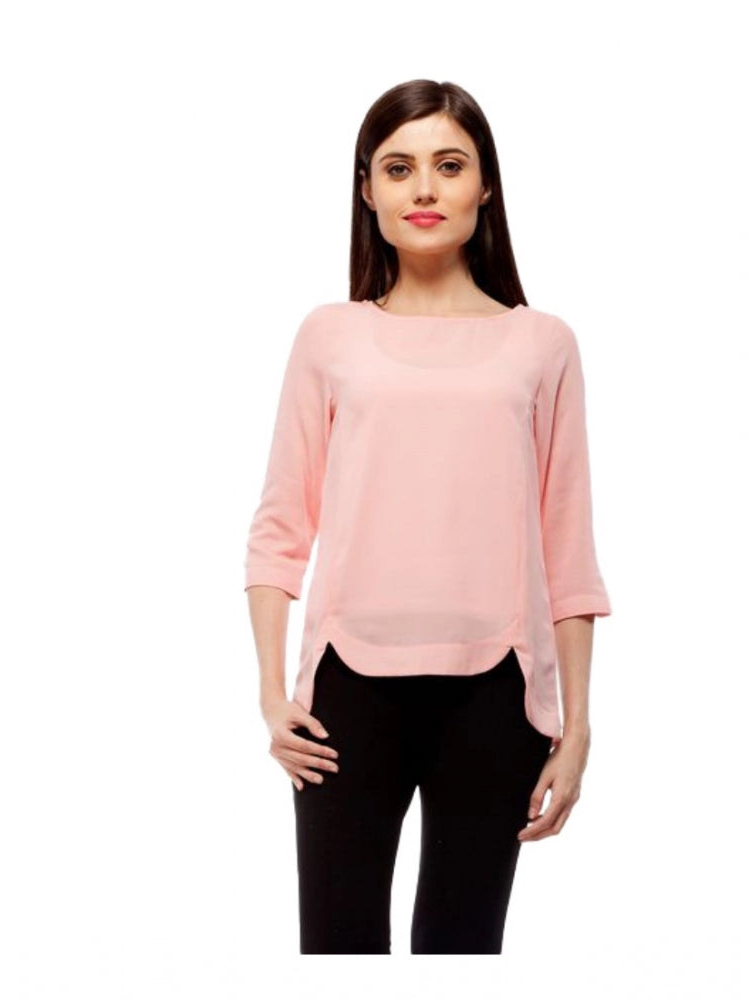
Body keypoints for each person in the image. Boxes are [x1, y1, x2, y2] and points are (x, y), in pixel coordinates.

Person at [244, 79, 612, 954]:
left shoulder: (543, 344)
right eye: (398, 167)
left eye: (449, 166)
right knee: (337, 951)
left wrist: (578, 728)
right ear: (367, 189)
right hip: (346, 695)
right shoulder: (329, 336)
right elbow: (279, 529)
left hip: (497, 699)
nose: (424, 189)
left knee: (462, 951)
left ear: (485, 187)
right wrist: (270, 694)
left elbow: (568, 551)